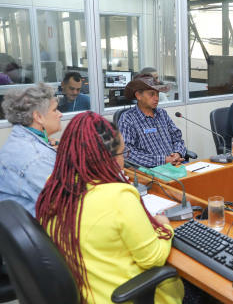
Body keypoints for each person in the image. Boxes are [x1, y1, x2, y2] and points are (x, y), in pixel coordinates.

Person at [35, 112, 185, 304]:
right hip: (128, 296)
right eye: (123, 153)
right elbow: (153, 259)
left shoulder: (55, 186)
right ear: (107, 158)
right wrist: (165, 227)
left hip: (86, 292)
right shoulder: (118, 196)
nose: (124, 160)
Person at [0, 84, 62, 216]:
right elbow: (66, 203)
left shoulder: (19, 140)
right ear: (38, 117)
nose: (60, 115)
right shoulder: (38, 159)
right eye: (55, 110)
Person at [119, 73, 187, 168]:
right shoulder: (127, 119)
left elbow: (177, 138)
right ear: (139, 96)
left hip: (176, 164)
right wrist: (164, 160)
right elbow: (128, 153)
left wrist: (178, 153)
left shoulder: (162, 113)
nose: (157, 98)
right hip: (152, 170)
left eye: (157, 94)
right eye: (151, 94)